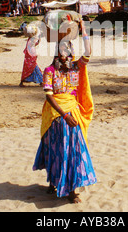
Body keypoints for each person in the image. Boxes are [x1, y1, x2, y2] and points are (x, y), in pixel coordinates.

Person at [33, 21, 97, 203]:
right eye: (62, 50)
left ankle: (71, 190)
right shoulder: (49, 71)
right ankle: (53, 182)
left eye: (68, 49)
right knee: (56, 150)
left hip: (73, 112)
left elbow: (88, 52)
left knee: (74, 151)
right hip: (56, 116)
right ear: (57, 53)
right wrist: (64, 115)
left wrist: (84, 30)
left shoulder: (76, 67)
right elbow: (49, 97)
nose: (65, 53)